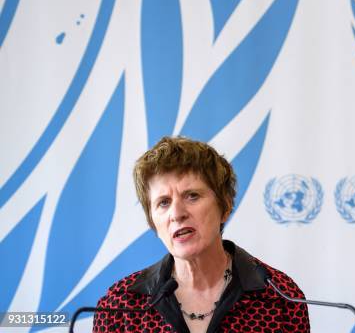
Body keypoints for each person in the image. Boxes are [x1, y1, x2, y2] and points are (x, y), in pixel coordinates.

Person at [93, 136, 310, 332]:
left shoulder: (281, 297)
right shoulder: (120, 306)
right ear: (153, 222)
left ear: (225, 206)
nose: (177, 214)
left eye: (192, 196)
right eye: (163, 203)